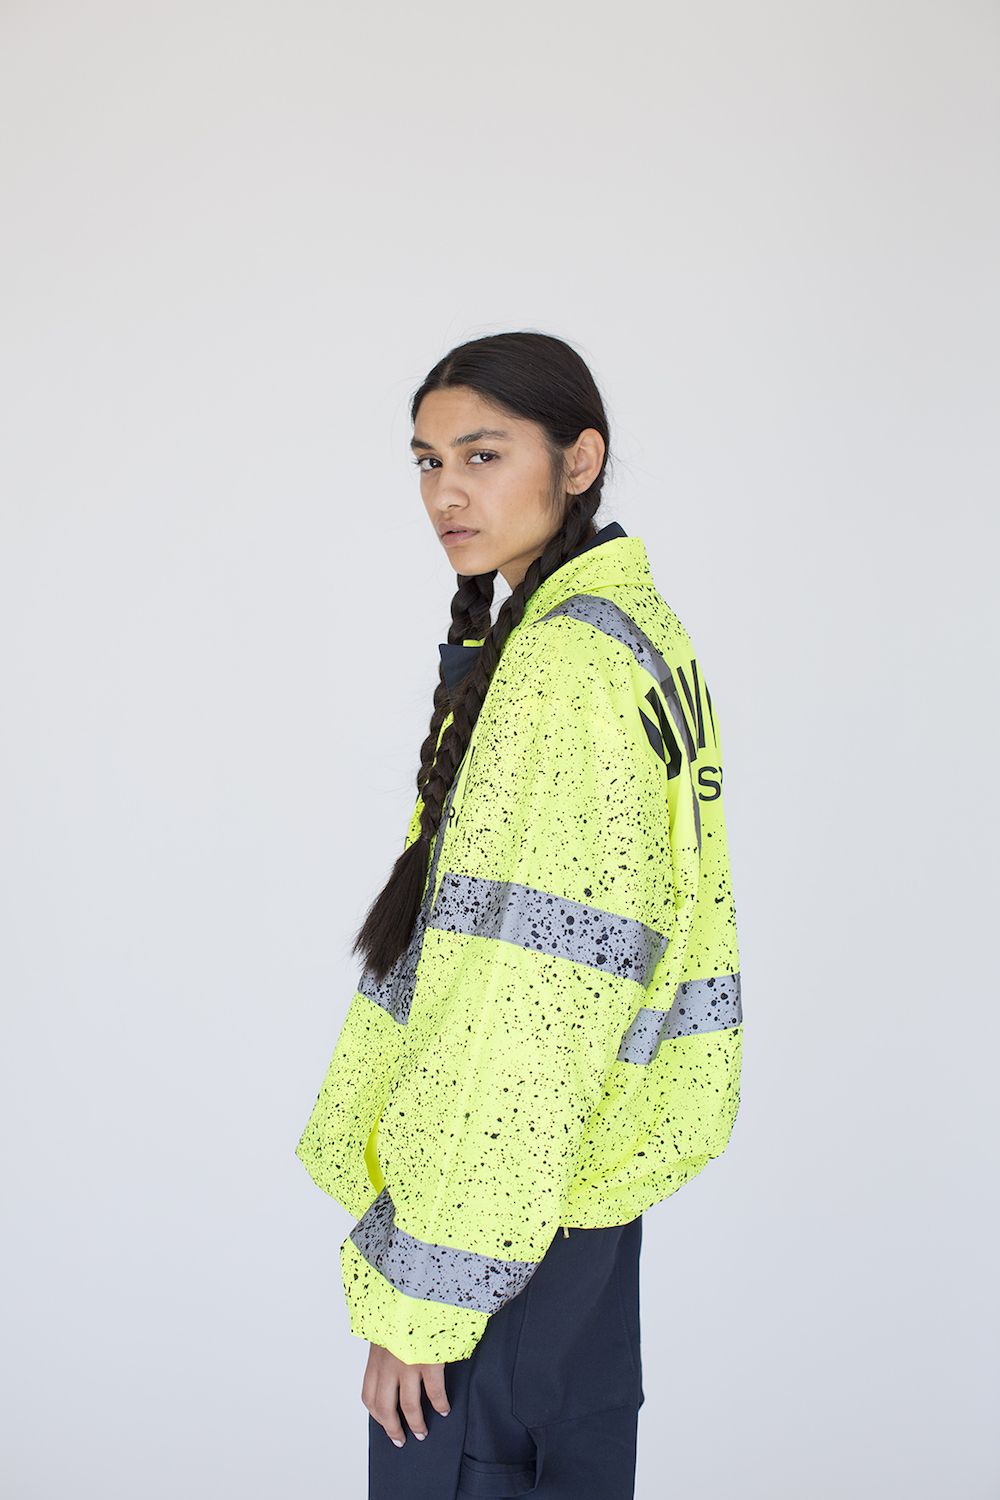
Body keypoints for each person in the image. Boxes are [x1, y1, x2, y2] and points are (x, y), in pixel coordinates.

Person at [295, 330, 743, 1499]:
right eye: (428, 461)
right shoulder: (634, 633)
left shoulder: (559, 669)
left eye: (483, 454)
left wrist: (423, 1299)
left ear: (578, 459)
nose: (447, 492)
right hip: (574, 1233)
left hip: (498, 1248)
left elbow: (519, 1015)